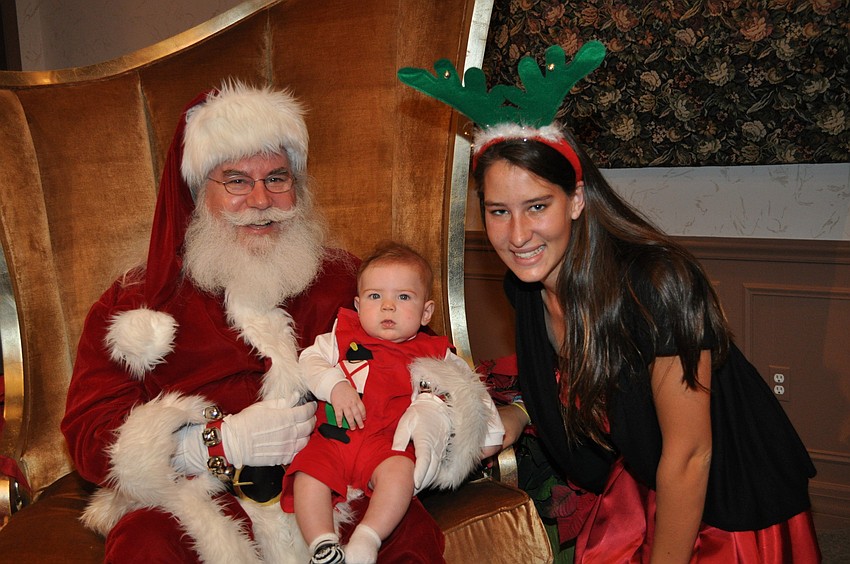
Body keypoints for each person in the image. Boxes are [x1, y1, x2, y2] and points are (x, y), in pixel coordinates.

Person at [400, 42, 821, 562]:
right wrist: (520, 413)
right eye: (498, 211)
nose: (518, 235)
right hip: (645, 466)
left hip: (726, 493)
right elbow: (575, 378)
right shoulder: (527, 286)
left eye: (537, 206)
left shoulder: (658, 285)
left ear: (576, 199)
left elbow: (691, 454)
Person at [61, 81, 494, 564]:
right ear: (197, 192)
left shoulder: (346, 281)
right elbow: (90, 434)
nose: (260, 199)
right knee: (145, 544)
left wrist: (435, 415)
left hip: (336, 485)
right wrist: (211, 444)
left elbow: (429, 361)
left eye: (277, 178)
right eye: (236, 181)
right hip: (200, 497)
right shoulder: (136, 301)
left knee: (407, 535)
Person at [283, 241, 503, 564]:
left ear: (426, 312)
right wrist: (335, 385)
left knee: (401, 473)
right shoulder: (340, 336)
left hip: (387, 446)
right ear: (358, 305)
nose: (388, 307)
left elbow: (472, 395)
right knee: (308, 473)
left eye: (403, 297)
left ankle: (367, 538)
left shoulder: (435, 353)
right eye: (375, 296)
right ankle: (322, 544)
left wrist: (487, 439)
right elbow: (308, 362)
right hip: (334, 436)